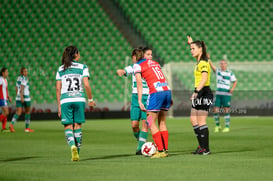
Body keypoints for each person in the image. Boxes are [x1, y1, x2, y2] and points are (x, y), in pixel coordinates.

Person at [56, 46, 96, 161]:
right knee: (78, 125)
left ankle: (72, 145)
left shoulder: (60, 69)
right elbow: (86, 85)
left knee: (68, 126)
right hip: (79, 99)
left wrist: (59, 106)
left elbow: (58, 89)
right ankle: (77, 152)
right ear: (76, 54)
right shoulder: (83, 67)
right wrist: (90, 100)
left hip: (65, 100)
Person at [133, 48, 172, 159]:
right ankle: (165, 149)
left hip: (156, 93)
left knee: (150, 121)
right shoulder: (155, 63)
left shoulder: (137, 65)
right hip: (166, 90)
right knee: (162, 122)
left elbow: (139, 84)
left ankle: (160, 150)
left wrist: (140, 100)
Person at [116, 47, 152, 155]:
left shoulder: (149, 66)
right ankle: (141, 140)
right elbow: (127, 70)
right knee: (134, 125)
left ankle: (140, 148)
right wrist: (122, 71)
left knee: (146, 123)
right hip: (136, 97)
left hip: (148, 96)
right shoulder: (134, 66)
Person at [187, 35, 213, 155]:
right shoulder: (200, 60)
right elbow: (199, 49)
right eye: (190, 48)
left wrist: (196, 92)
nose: (191, 51)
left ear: (200, 49)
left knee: (201, 121)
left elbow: (204, 78)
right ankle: (201, 146)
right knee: (193, 119)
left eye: (193, 49)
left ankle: (206, 149)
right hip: (200, 91)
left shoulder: (203, 62)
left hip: (204, 92)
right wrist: (192, 43)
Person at [209, 60, 237, 133]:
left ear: (226, 65)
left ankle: (227, 127)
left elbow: (235, 81)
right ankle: (217, 126)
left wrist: (232, 89)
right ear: (220, 65)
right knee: (215, 110)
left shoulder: (230, 73)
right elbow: (212, 67)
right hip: (218, 93)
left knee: (226, 110)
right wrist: (208, 59)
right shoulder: (218, 71)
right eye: (221, 64)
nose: (222, 65)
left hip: (226, 94)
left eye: (224, 64)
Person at [9, 67, 34, 132]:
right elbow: (22, 88)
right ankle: (27, 128)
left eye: (26, 71)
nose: (26, 73)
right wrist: (22, 97)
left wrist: (18, 96)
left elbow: (17, 88)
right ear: (21, 72)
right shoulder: (24, 79)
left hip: (18, 98)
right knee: (27, 112)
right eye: (24, 71)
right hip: (25, 98)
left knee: (18, 112)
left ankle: (11, 125)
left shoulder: (18, 78)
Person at [0, 67, 12, 132]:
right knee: (6, 112)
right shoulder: (0, 79)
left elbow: (6, 89)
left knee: (5, 113)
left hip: (4, 98)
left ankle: (3, 128)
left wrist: (8, 97)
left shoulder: (5, 80)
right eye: (6, 72)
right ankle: (3, 128)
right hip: (1, 98)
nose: (7, 73)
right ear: (3, 73)